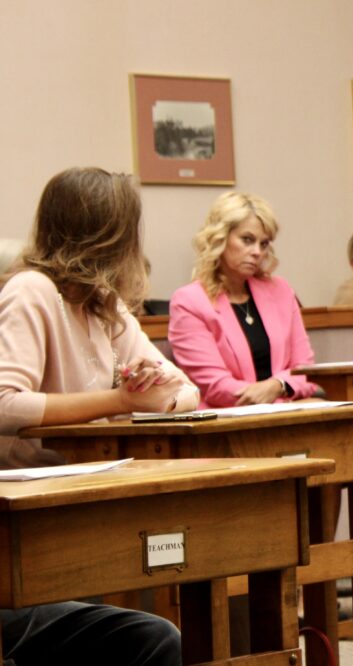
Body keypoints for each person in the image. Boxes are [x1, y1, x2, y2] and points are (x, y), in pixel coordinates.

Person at [169, 193, 353, 549]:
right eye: (247, 240)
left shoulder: (278, 291)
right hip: (229, 430)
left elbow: (304, 370)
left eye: (264, 243)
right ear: (219, 238)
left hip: (287, 418)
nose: (258, 251)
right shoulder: (190, 301)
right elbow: (215, 387)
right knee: (336, 450)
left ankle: (321, 577)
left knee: (347, 441)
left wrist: (276, 385)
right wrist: (276, 389)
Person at [0, 167, 196, 665]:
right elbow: (5, 404)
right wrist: (121, 402)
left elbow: (187, 391)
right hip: (24, 520)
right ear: (110, 235)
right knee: (152, 635)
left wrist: (154, 391)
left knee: (167, 618)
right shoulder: (31, 291)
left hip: (82, 503)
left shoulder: (103, 304)